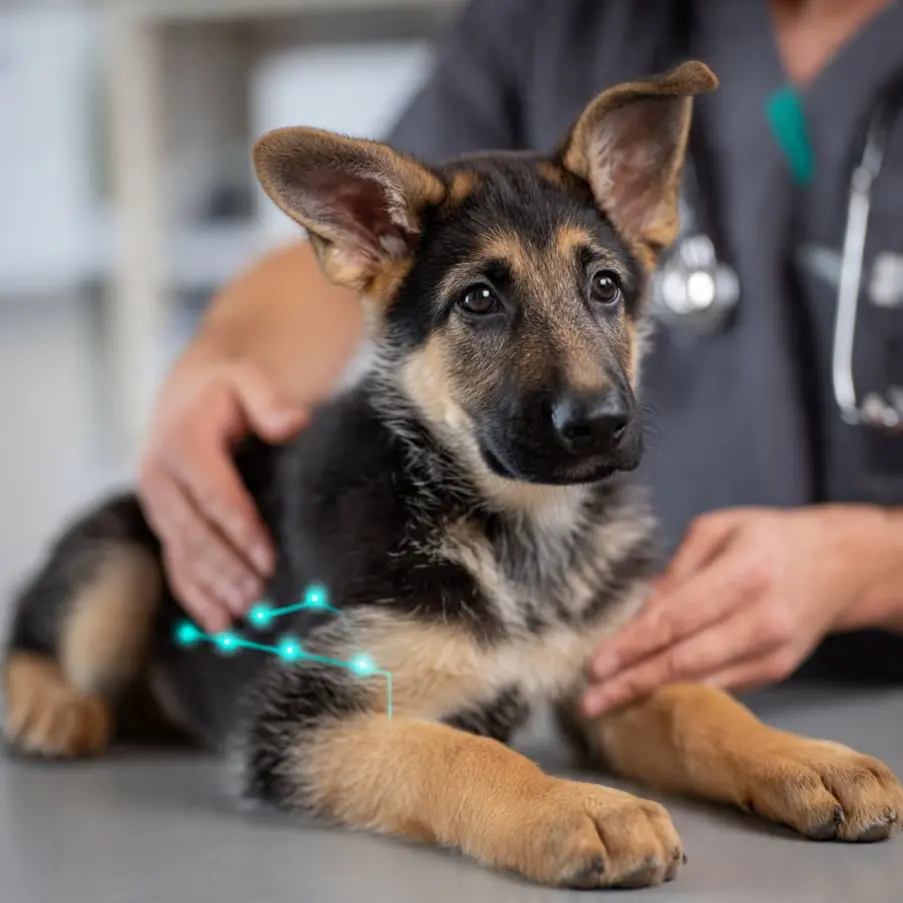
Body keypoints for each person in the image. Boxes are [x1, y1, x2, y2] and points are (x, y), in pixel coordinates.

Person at [137, 0, 903, 718]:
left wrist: (868, 565)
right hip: (602, 685)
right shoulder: (556, 17)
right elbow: (381, 252)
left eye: (602, 286)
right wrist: (219, 364)